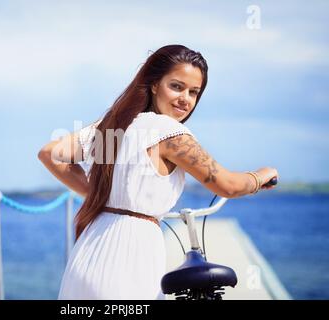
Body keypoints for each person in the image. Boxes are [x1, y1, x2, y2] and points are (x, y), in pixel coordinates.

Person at [37, 44, 279, 300]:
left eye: (194, 92)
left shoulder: (113, 124)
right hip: (131, 257)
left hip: (87, 252)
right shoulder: (169, 133)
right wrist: (262, 175)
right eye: (176, 86)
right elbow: (227, 185)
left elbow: (50, 153)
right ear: (154, 85)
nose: (185, 98)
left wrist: (100, 194)